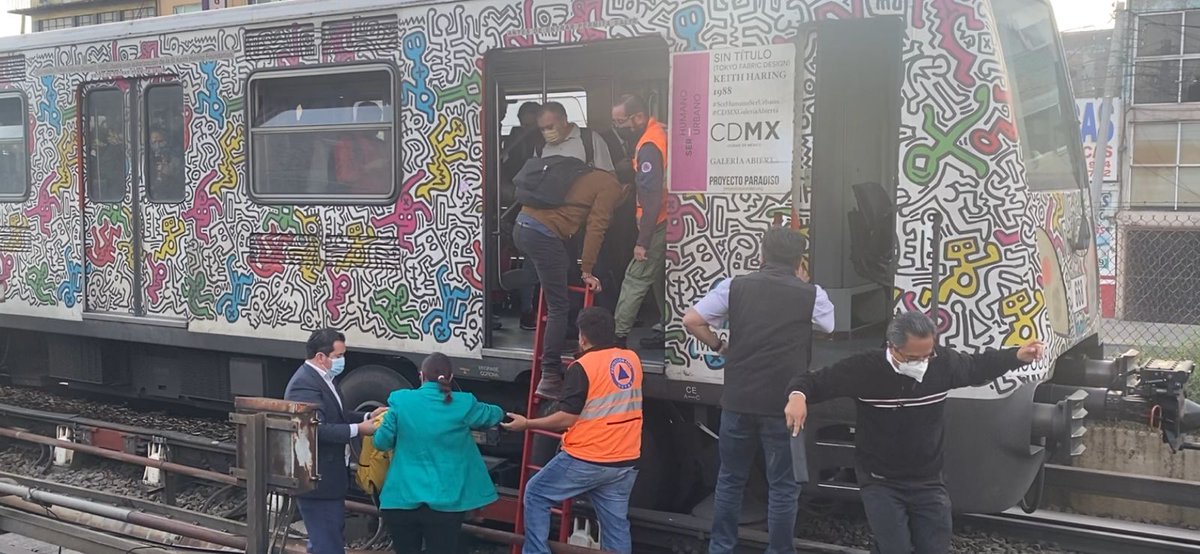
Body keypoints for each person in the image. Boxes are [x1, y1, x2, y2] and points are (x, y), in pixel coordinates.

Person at [784, 312, 1045, 554]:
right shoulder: (864, 368)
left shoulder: (942, 364)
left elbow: (978, 366)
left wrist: (1017, 356)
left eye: (927, 355)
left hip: (927, 480)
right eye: (912, 358)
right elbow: (814, 381)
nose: (921, 363)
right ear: (892, 347)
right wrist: (797, 396)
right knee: (895, 547)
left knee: (934, 547)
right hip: (880, 480)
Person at [681, 226, 835, 554]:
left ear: (762, 255)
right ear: (799, 261)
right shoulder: (811, 294)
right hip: (784, 405)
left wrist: (719, 345)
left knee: (730, 480)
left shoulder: (734, 286)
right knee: (783, 487)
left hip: (738, 400)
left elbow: (691, 319)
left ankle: (721, 548)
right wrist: (803, 285)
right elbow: (829, 325)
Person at [502, 307, 642, 554]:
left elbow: (566, 418)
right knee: (616, 527)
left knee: (535, 494)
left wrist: (528, 424)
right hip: (625, 459)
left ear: (582, 338)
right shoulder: (631, 359)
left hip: (589, 457)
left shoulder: (583, 367)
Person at [512, 105, 626, 400]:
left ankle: (552, 327)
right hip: (543, 234)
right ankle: (550, 374)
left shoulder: (577, 172)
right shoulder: (610, 186)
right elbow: (597, 227)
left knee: (558, 274)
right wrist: (587, 269)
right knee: (559, 304)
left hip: (522, 225)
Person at [371, 353, 505, 554]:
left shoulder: (401, 400)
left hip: (401, 499)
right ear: (450, 377)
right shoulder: (464, 403)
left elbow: (381, 442)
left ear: (421, 375)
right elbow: (494, 414)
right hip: (446, 502)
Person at [284, 328, 386, 554]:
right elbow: (315, 429)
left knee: (327, 541)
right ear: (321, 357)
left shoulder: (324, 378)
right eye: (338, 356)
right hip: (318, 482)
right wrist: (358, 429)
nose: (342, 361)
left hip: (330, 480)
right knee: (327, 544)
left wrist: (368, 416)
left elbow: (337, 415)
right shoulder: (304, 385)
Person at [611, 94, 667, 349]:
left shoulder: (649, 146)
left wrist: (642, 242)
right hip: (666, 219)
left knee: (636, 277)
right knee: (660, 278)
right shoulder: (659, 133)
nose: (618, 127)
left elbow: (651, 196)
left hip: (657, 222)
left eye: (621, 122)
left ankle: (617, 339)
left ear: (639, 117)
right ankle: (667, 327)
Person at [537, 101, 615, 172]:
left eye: (550, 127)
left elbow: (608, 175)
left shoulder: (590, 140)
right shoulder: (540, 146)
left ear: (564, 121)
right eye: (542, 129)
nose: (546, 132)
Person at [333, 102, 389, 195]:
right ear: (361, 118)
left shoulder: (381, 144)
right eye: (373, 119)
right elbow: (345, 176)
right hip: (361, 198)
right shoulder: (347, 142)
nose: (377, 123)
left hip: (385, 195)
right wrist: (370, 166)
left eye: (378, 119)